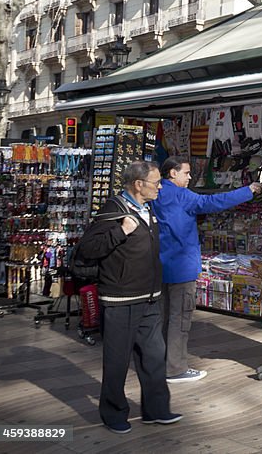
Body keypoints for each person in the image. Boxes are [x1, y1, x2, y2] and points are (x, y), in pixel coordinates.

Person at [78, 161, 180, 434]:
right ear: (138, 184)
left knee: (154, 357)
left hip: (149, 298)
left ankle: (157, 410)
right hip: (120, 299)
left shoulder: (148, 209)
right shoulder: (112, 211)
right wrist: (120, 231)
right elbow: (87, 249)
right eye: (156, 182)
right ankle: (113, 413)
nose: (160, 187)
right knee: (116, 360)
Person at [153, 156, 262, 383]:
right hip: (182, 269)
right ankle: (175, 369)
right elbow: (212, 202)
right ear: (173, 173)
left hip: (160, 266)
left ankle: (162, 364)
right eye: (186, 172)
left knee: (163, 318)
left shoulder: (156, 193)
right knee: (179, 319)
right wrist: (249, 190)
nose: (190, 177)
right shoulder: (182, 196)